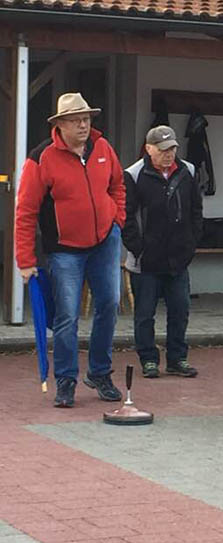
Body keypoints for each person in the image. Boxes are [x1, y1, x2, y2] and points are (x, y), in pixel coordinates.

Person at [15, 92, 125, 408]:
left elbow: (118, 185)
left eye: (86, 119)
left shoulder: (103, 147)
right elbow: (26, 211)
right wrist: (25, 260)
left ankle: (100, 373)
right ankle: (65, 380)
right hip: (64, 249)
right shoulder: (41, 158)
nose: (83, 125)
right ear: (60, 124)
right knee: (67, 315)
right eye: (76, 120)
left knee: (109, 304)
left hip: (105, 241)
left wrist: (117, 220)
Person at [123, 125, 203, 378]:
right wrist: (137, 247)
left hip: (178, 257)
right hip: (145, 259)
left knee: (180, 310)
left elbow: (196, 210)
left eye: (172, 149)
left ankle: (177, 359)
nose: (169, 154)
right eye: (163, 150)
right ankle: (148, 359)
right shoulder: (133, 174)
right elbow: (126, 216)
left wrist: (191, 244)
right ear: (149, 149)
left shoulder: (188, 171)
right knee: (145, 314)